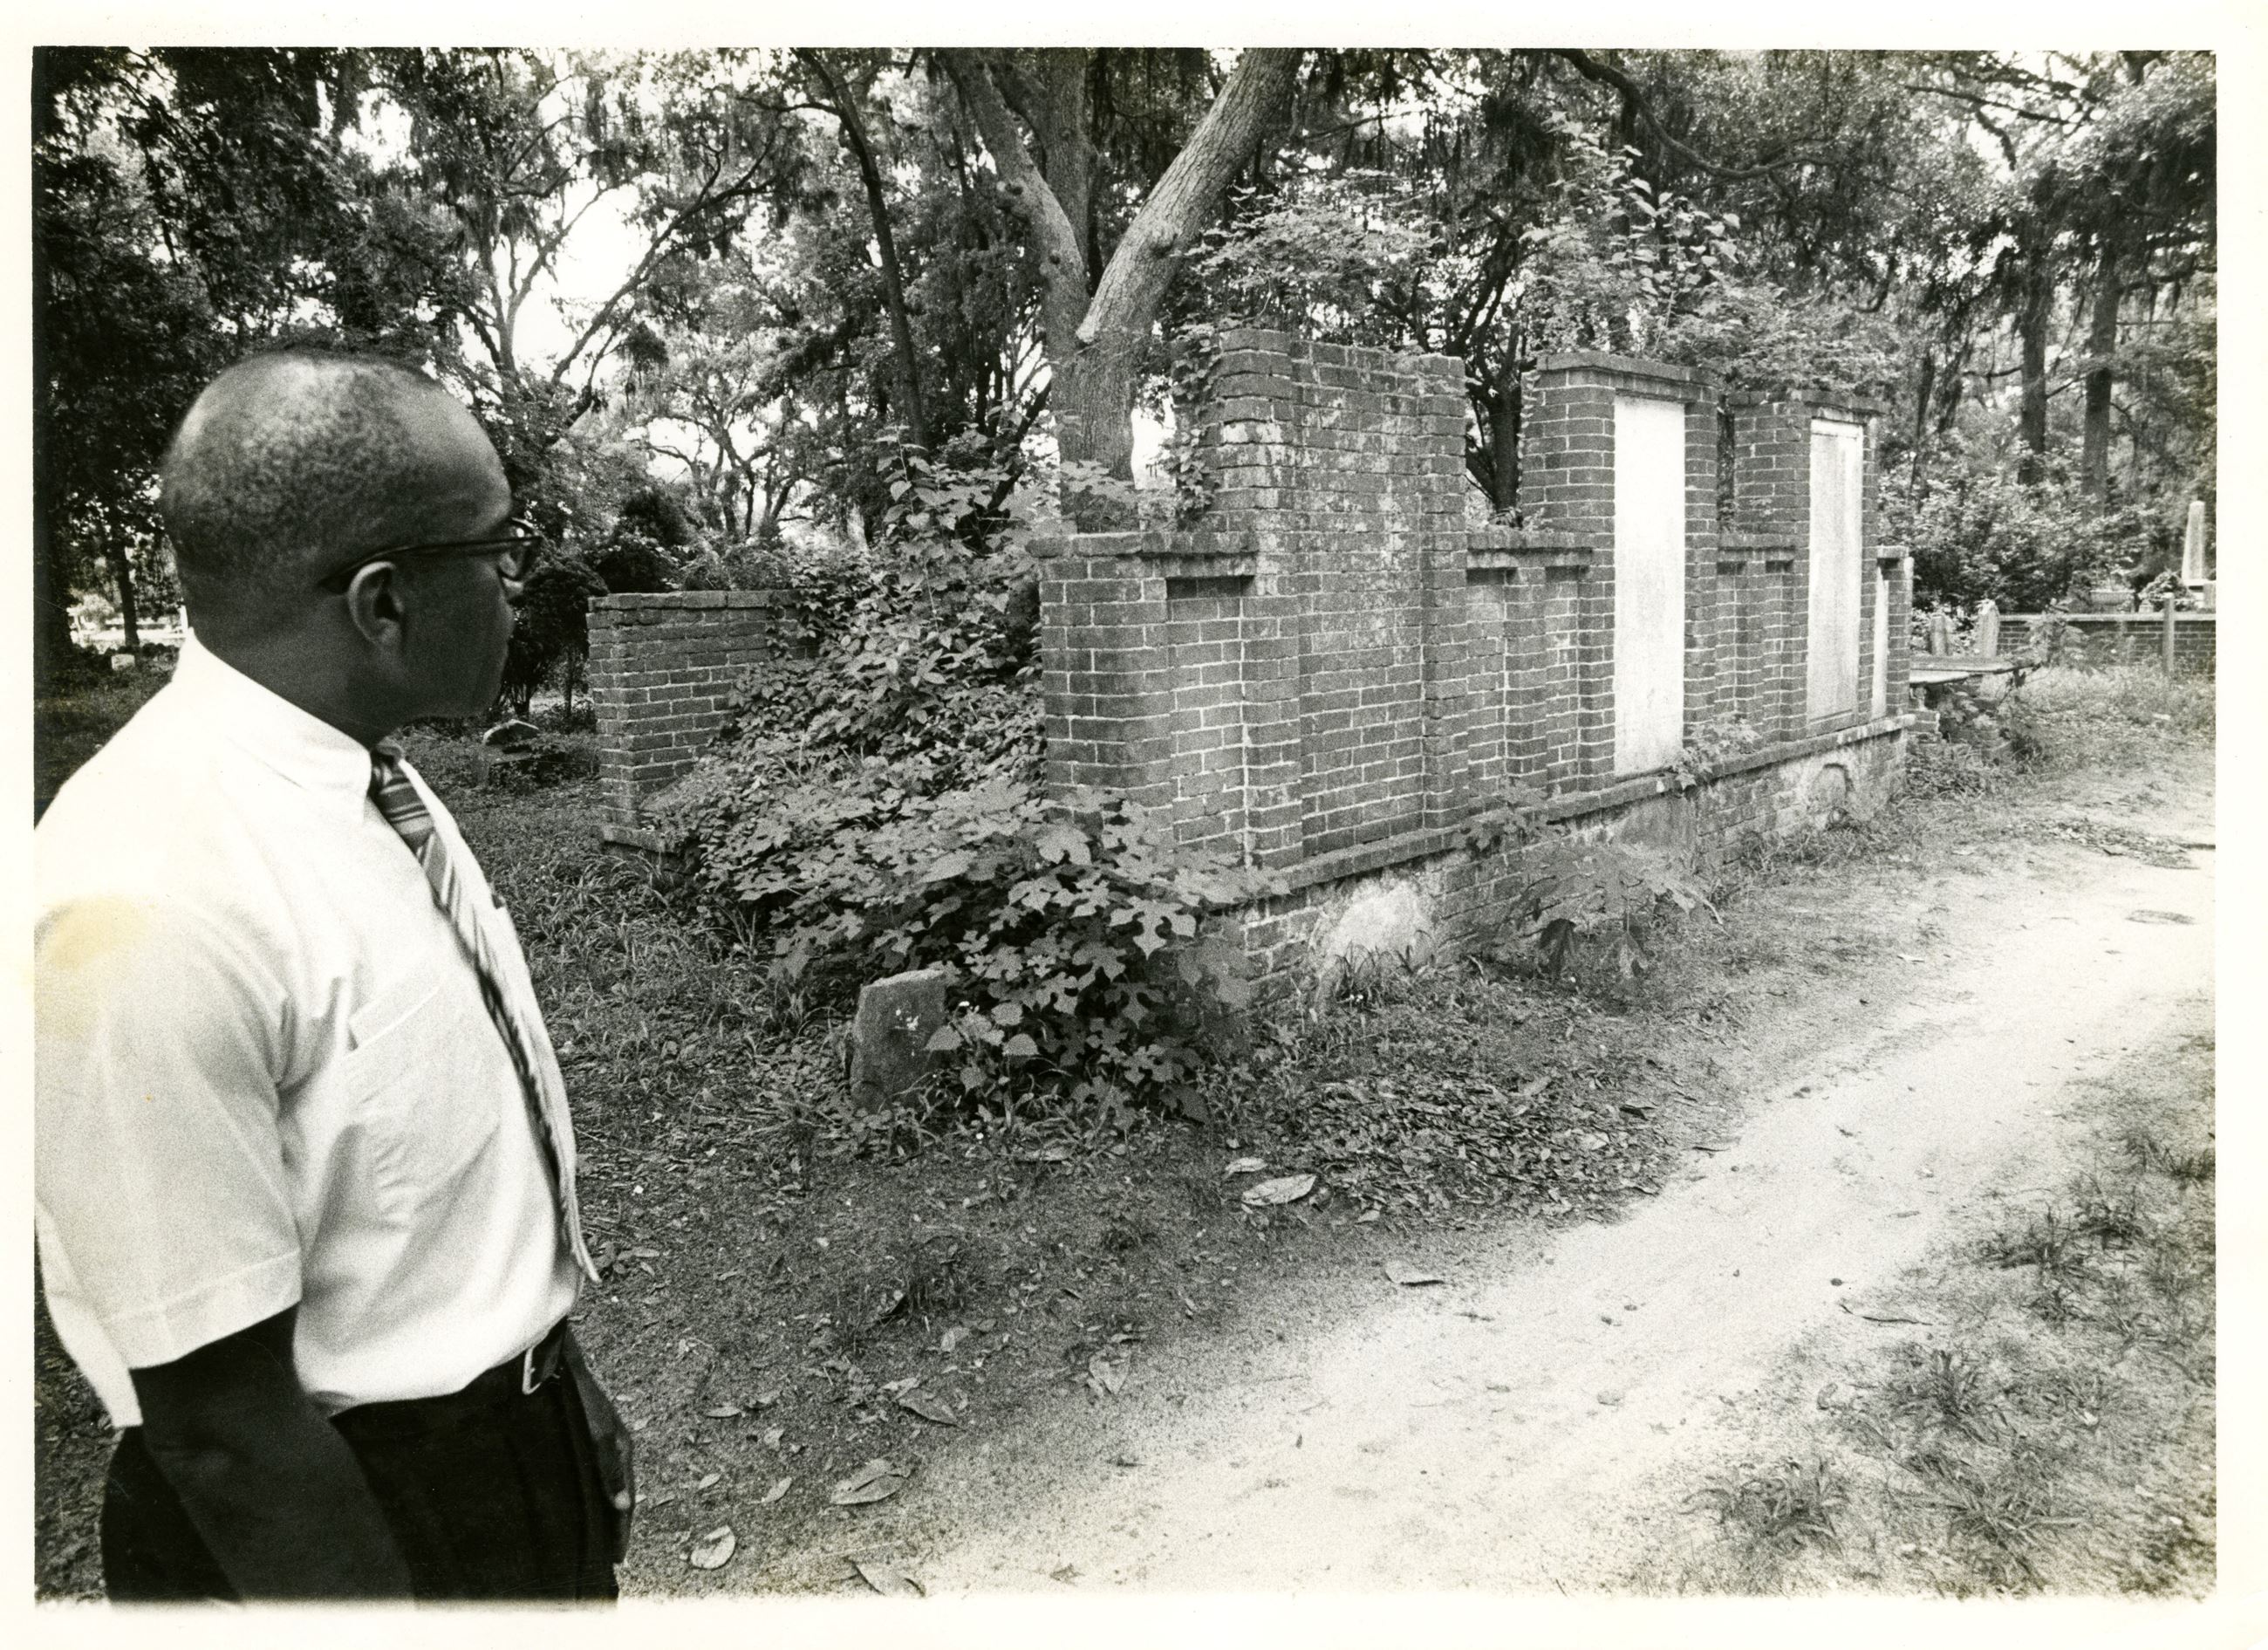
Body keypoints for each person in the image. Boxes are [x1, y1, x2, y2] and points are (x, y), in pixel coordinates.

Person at [34, 350, 634, 1602]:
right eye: (497, 552)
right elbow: (221, 1431)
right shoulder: (148, 896)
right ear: (384, 604)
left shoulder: (361, 775)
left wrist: (558, 1396)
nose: (518, 592)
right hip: (337, 1521)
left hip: (503, 1450)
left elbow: (442, 1180)